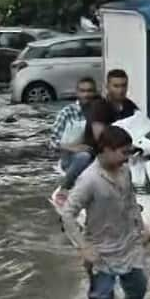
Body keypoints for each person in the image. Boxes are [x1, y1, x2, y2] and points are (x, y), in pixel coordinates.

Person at [61, 125, 148, 299]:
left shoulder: (124, 171)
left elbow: (130, 201)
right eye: (123, 152)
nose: (127, 158)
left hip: (128, 243)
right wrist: (83, 247)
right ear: (107, 150)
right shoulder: (89, 180)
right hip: (100, 250)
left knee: (138, 289)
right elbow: (67, 214)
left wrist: (141, 225)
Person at [49, 77, 98, 205]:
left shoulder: (99, 111)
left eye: (90, 91)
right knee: (83, 156)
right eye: (83, 91)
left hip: (96, 155)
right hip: (71, 158)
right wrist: (73, 147)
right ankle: (64, 188)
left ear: (95, 92)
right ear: (77, 92)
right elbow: (53, 142)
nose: (86, 94)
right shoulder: (67, 113)